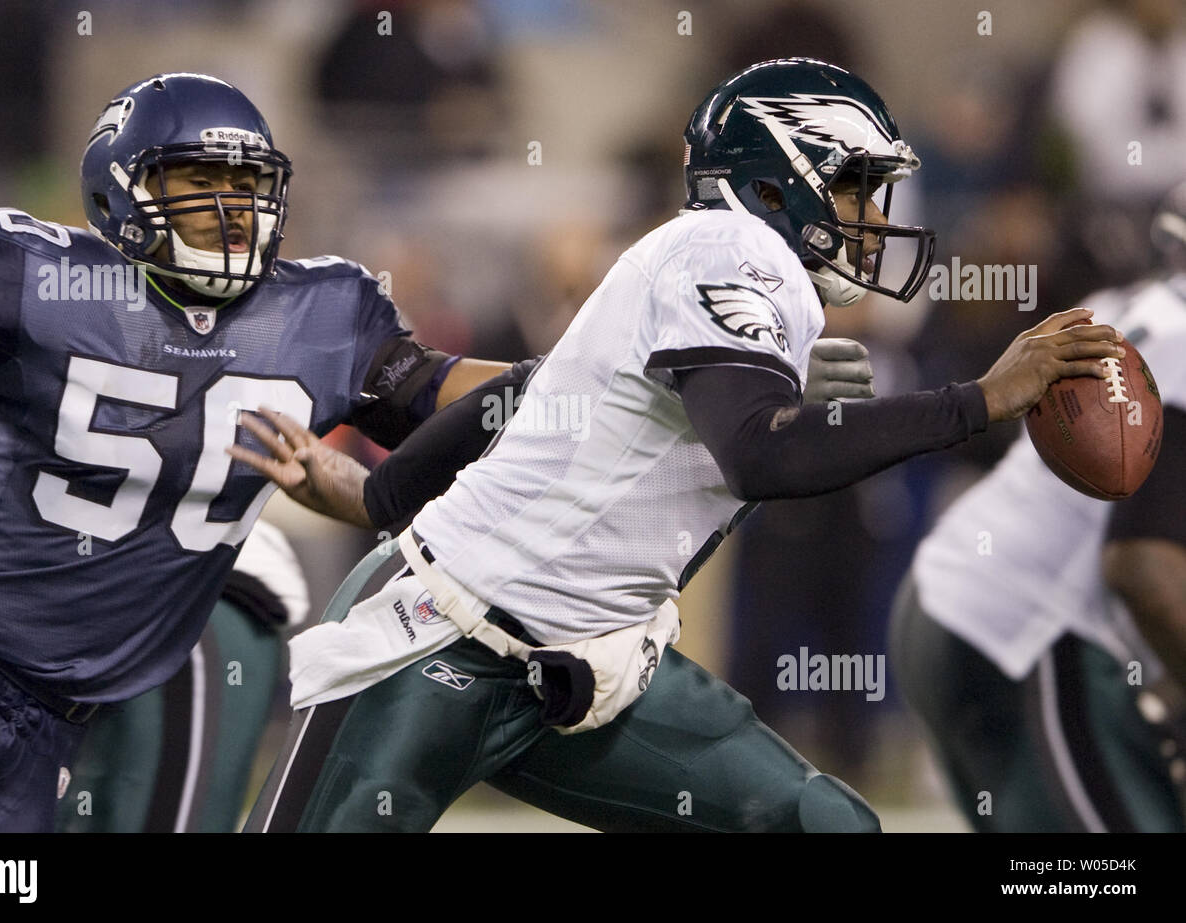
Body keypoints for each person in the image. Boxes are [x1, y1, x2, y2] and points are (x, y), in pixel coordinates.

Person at [231, 58, 1125, 832]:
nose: (874, 215)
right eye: (854, 185)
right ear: (779, 181)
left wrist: (380, 498)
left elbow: (534, 387)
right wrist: (978, 399)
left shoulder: (722, 268)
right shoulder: (730, 247)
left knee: (821, 823)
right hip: (438, 639)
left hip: (589, 672)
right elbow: (764, 456)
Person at [0, 72, 514, 832]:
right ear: (122, 189)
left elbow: (452, 396)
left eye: (248, 181)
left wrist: (580, 370)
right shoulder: (38, 277)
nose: (231, 204)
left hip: (54, 716)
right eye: (198, 177)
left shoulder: (320, 317)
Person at [890, 187, 1186, 832]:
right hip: (1026, 634)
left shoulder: (1129, 308)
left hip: (964, 607)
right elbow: (1144, 566)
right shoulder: (1180, 344)